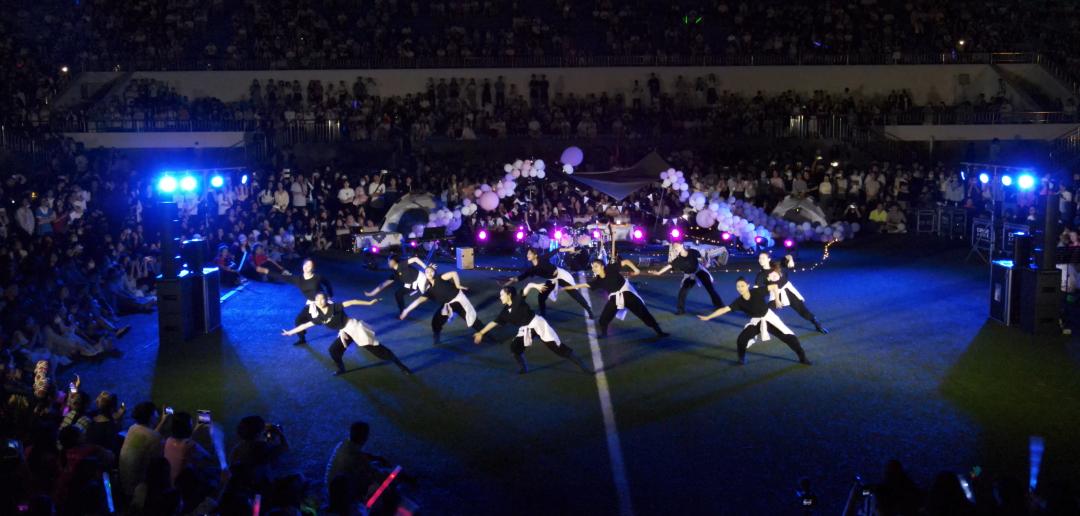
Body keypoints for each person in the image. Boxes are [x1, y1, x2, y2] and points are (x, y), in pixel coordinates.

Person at [282, 292, 411, 376]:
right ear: (315, 302)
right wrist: (290, 333)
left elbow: (352, 301)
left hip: (354, 328)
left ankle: (401, 365)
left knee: (378, 350)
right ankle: (341, 369)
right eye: (318, 299)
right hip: (345, 332)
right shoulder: (319, 317)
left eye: (323, 299)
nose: (321, 301)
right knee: (333, 350)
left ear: (326, 299)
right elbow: (305, 325)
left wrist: (369, 302)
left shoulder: (335, 307)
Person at [473, 285, 591, 374]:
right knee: (515, 347)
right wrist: (481, 333)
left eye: (501, 295)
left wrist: (536, 286)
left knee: (557, 348)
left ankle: (584, 366)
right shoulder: (504, 312)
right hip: (526, 329)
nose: (500, 297)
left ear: (508, 295)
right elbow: (495, 322)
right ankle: (524, 368)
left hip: (538, 324)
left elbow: (528, 286)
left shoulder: (518, 300)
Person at [698, 277, 812, 365]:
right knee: (742, 339)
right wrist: (709, 317)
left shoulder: (756, 292)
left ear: (748, 285)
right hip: (756, 321)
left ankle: (803, 357)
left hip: (769, 318)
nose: (740, 288)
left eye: (742, 286)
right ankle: (741, 358)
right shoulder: (739, 301)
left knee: (790, 338)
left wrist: (777, 300)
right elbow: (724, 309)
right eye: (738, 287)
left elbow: (774, 286)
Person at [562, 259, 668, 339]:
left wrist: (636, 270)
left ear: (602, 266)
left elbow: (626, 261)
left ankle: (660, 332)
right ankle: (604, 334)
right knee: (603, 319)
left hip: (627, 294)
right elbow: (585, 285)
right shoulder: (598, 280)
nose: (594, 269)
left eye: (596, 266)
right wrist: (569, 287)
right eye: (593, 267)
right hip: (615, 299)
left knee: (644, 314)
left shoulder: (610, 268)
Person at [400, 265, 485, 345]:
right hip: (447, 305)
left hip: (458, 301)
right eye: (427, 272)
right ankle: (436, 337)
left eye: (431, 271)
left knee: (473, 320)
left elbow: (453, 273)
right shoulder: (429, 291)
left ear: (434, 272)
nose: (429, 273)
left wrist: (458, 285)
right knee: (435, 322)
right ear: (425, 275)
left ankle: (487, 334)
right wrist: (406, 310)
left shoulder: (440, 278)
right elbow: (418, 301)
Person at [504, 247, 594, 319]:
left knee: (575, 294)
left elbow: (556, 250)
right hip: (552, 280)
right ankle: (543, 314)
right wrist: (512, 280)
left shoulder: (543, 258)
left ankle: (588, 309)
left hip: (561, 276)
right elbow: (521, 277)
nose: (527, 255)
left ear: (535, 255)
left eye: (530, 254)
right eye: (527, 254)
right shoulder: (532, 269)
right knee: (541, 296)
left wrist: (569, 249)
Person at [754, 253, 827, 333]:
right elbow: (756, 289)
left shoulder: (777, 265)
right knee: (767, 312)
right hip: (776, 294)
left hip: (788, 291)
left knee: (802, 310)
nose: (760, 260)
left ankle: (818, 325)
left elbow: (788, 256)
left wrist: (791, 260)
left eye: (763, 258)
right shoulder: (761, 275)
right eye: (759, 258)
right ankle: (761, 328)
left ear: (769, 259)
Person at [650, 242, 724, 314]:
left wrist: (705, 262)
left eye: (677, 246)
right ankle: (680, 310)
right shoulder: (678, 260)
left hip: (700, 271)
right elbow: (669, 266)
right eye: (674, 248)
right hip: (689, 276)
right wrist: (658, 273)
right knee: (682, 292)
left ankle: (719, 305)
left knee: (710, 289)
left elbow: (702, 256)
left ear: (682, 245)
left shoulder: (692, 252)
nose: (676, 248)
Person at [274, 258, 333, 346]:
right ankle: (302, 339)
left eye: (309, 266)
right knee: (299, 320)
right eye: (305, 264)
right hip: (311, 303)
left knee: (333, 320)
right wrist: (266, 271)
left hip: (322, 303)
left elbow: (327, 284)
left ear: (312, 268)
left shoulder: (318, 277)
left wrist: (329, 295)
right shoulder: (299, 279)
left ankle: (350, 331)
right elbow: (283, 277)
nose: (306, 267)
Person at [118, 402, 169, 497]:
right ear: (149, 416)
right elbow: (158, 463)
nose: (157, 416)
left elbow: (150, 435)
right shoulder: (155, 438)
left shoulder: (133, 428)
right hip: (138, 489)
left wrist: (163, 420)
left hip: (125, 483)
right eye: (155, 413)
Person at [364, 255, 429, 314]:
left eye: (389, 261)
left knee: (429, 295)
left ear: (393, 261)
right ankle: (402, 311)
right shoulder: (395, 273)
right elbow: (384, 284)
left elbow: (415, 259)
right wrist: (372, 293)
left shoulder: (401, 265)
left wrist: (426, 268)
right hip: (411, 284)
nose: (388, 263)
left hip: (420, 279)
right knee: (398, 294)